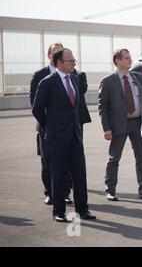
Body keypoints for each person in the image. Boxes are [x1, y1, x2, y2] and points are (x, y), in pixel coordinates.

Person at [32, 48, 95, 222]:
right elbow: (37, 109)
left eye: (74, 60)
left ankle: (83, 210)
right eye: (71, 61)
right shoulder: (47, 82)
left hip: (75, 135)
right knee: (58, 175)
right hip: (56, 137)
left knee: (79, 174)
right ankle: (58, 212)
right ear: (60, 63)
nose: (74, 63)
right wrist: (50, 126)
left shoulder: (74, 79)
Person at [98, 49, 142, 201]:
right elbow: (103, 107)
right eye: (127, 58)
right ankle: (110, 189)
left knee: (141, 157)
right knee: (114, 158)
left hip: (138, 124)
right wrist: (106, 128)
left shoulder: (139, 77)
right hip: (119, 125)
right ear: (117, 61)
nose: (130, 60)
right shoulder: (108, 81)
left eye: (130, 57)